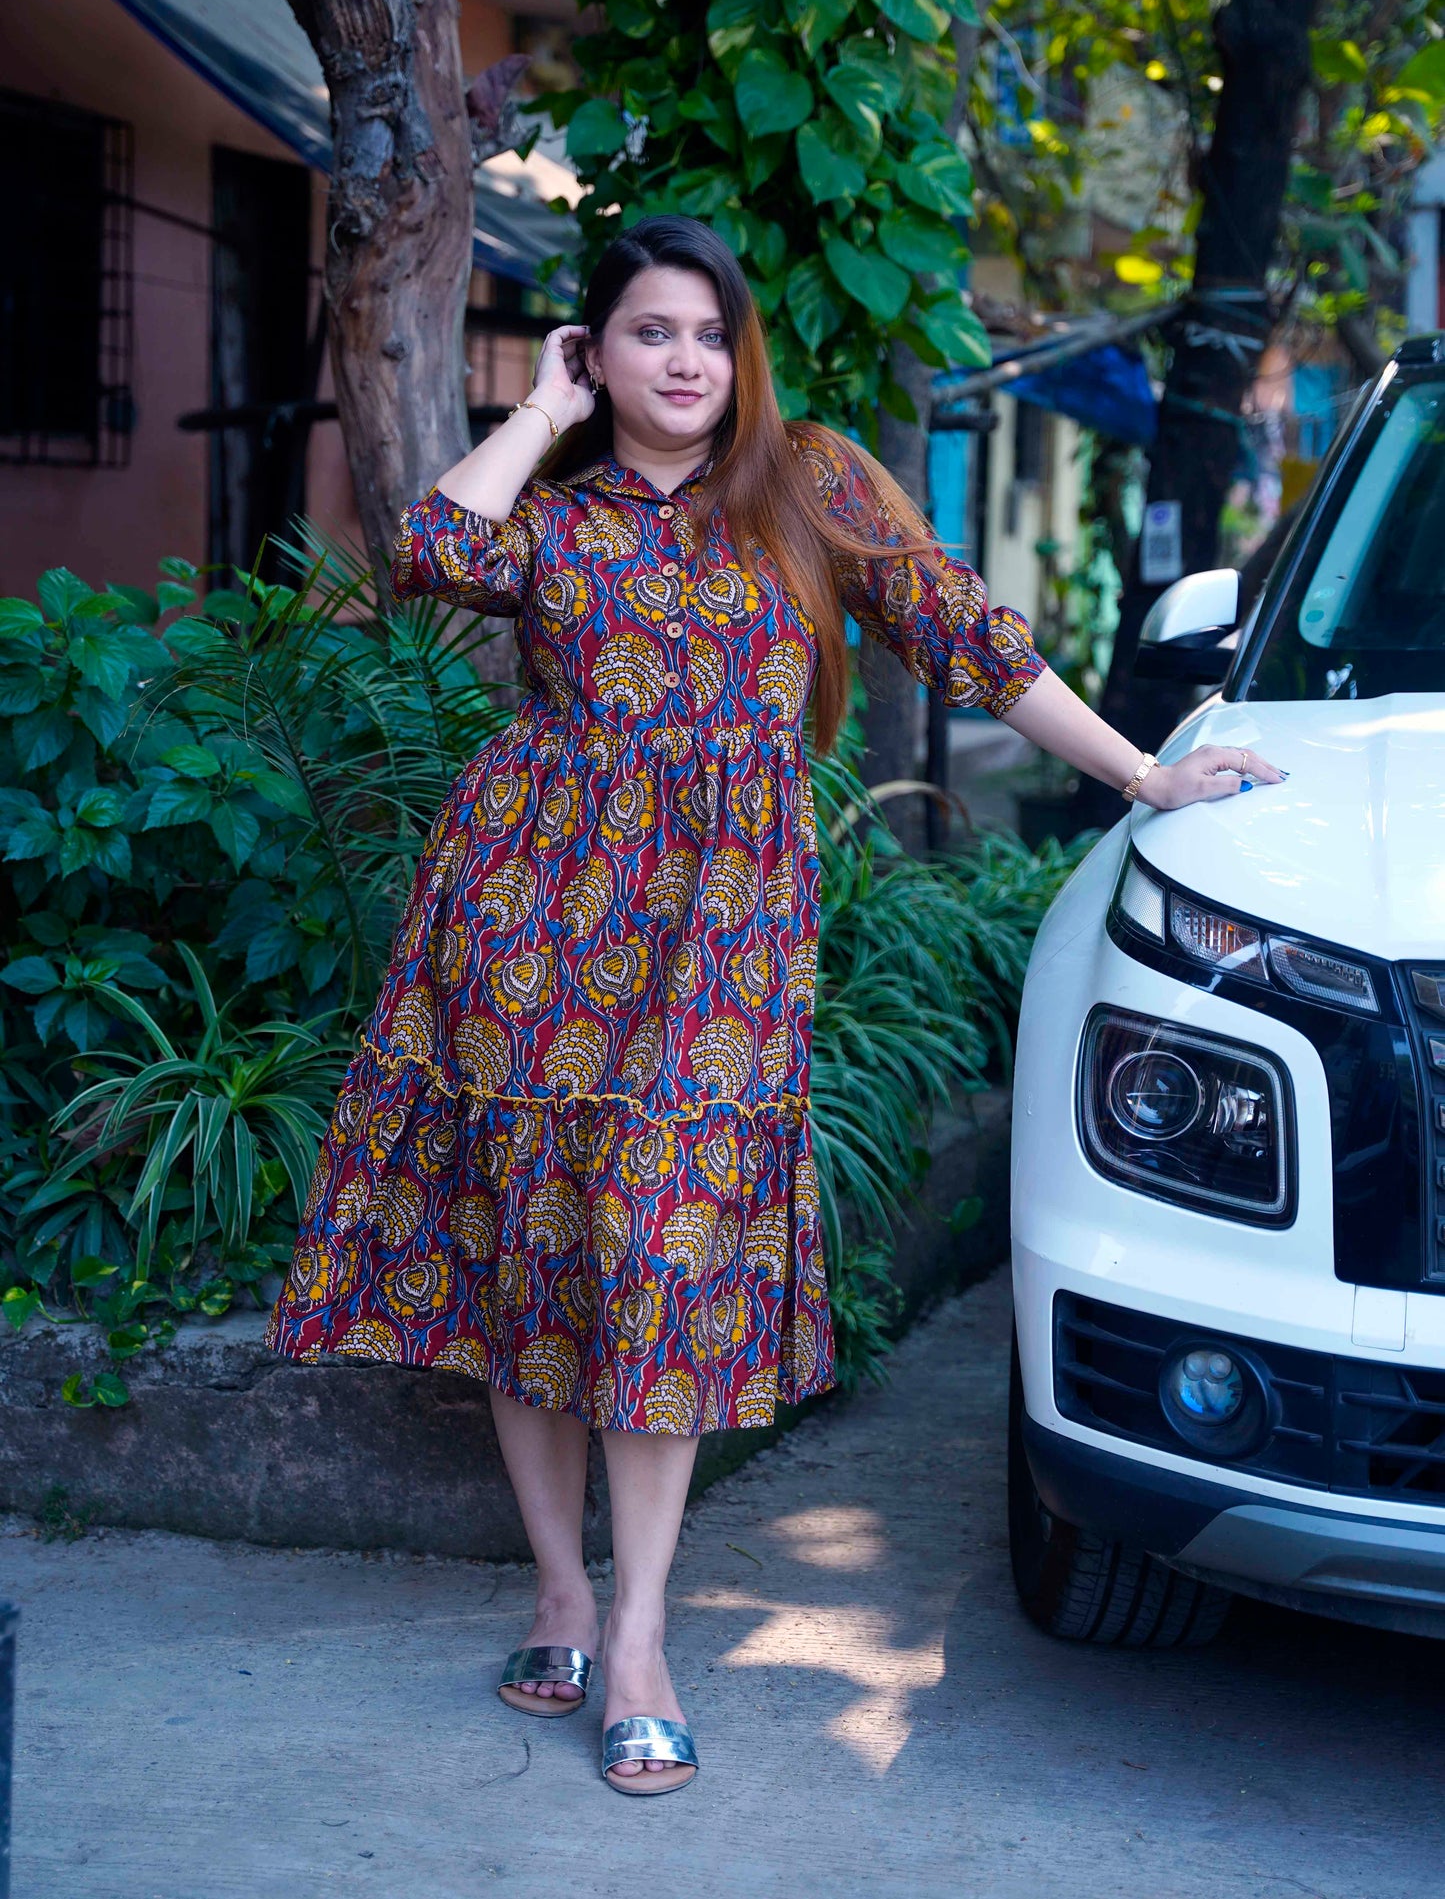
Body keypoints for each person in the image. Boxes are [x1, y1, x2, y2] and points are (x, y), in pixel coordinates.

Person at [266, 215, 1281, 1796]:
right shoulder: (561, 513)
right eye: (646, 334)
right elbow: (426, 559)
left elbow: (964, 634)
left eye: (706, 334)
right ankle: (558, 1592)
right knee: (534, 1260)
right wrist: (531, 416)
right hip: (522, 931)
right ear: (593, 355)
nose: (682, 362)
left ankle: (648, 1632)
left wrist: (1142, 774)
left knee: (665, 1253)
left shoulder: (805, 482)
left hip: (720, 945)